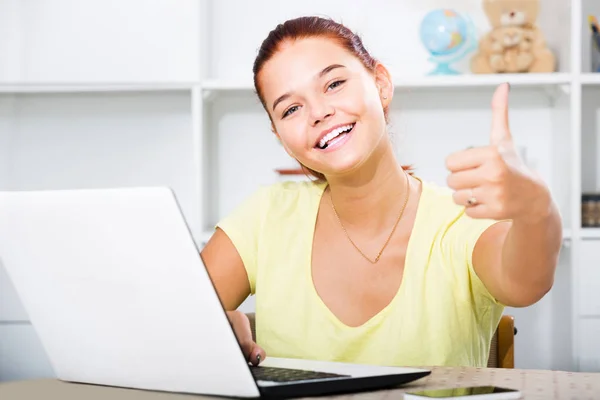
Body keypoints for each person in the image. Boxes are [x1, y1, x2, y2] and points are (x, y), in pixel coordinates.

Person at [200, 16, 563, 368]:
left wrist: (537, 210)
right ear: (281, 138)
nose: (319, 112)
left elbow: (524, 284)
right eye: (291, 108)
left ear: (381, 84)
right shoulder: (266, 217)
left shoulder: (457, 219)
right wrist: (212, 329)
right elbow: (167, 323)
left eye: (334, 84)